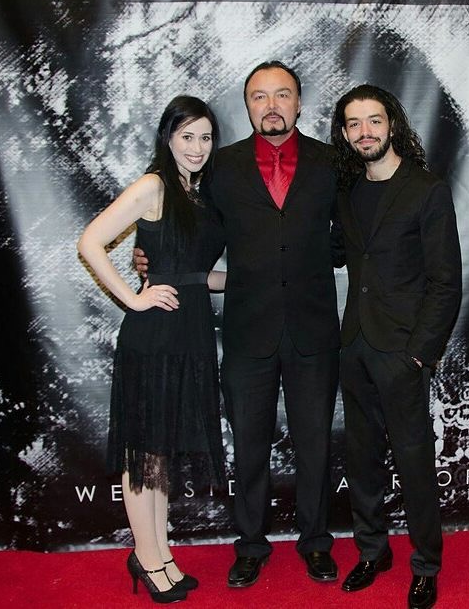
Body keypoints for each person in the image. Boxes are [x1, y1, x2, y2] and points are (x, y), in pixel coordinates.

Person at [135, 62, 341, 588]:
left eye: (282, 95)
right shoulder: (220, 167)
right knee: (249, 444)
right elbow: (192, 229)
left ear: (299, 102)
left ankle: (317, 542)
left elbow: (353, 235)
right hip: (248, 331)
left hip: (314, 331)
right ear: (247, 106)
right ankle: (250, 545)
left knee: (315, 442)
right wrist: (155, 259)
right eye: (258, 97)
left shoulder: (331, 162)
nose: (270, 106)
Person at [78, 96, 226, 603]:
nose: (197, 147)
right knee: (146, 454)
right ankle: (146, 556)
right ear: (168, 138)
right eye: (187, 136)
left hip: (192, 336)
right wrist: (134, 300)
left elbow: (197, 274)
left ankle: (159, 554)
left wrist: (256, 280)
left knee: (160, 452)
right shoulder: (154, 185)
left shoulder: (199, 195)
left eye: (206, 137)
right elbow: (91, 241)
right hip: (155, 336)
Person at [330, 85, 462, 609]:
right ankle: (372, 550)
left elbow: (446, 283)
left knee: (413, 462)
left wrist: (419, 353)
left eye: (374, 121)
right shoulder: (346, 191)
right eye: (355, 123)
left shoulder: (426, 190)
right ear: (345, 134)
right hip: (355, 344)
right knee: (361, 458)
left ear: (393, 125)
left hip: (401, 350)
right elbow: (337, 253)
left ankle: (426, 564)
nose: (366, 131)